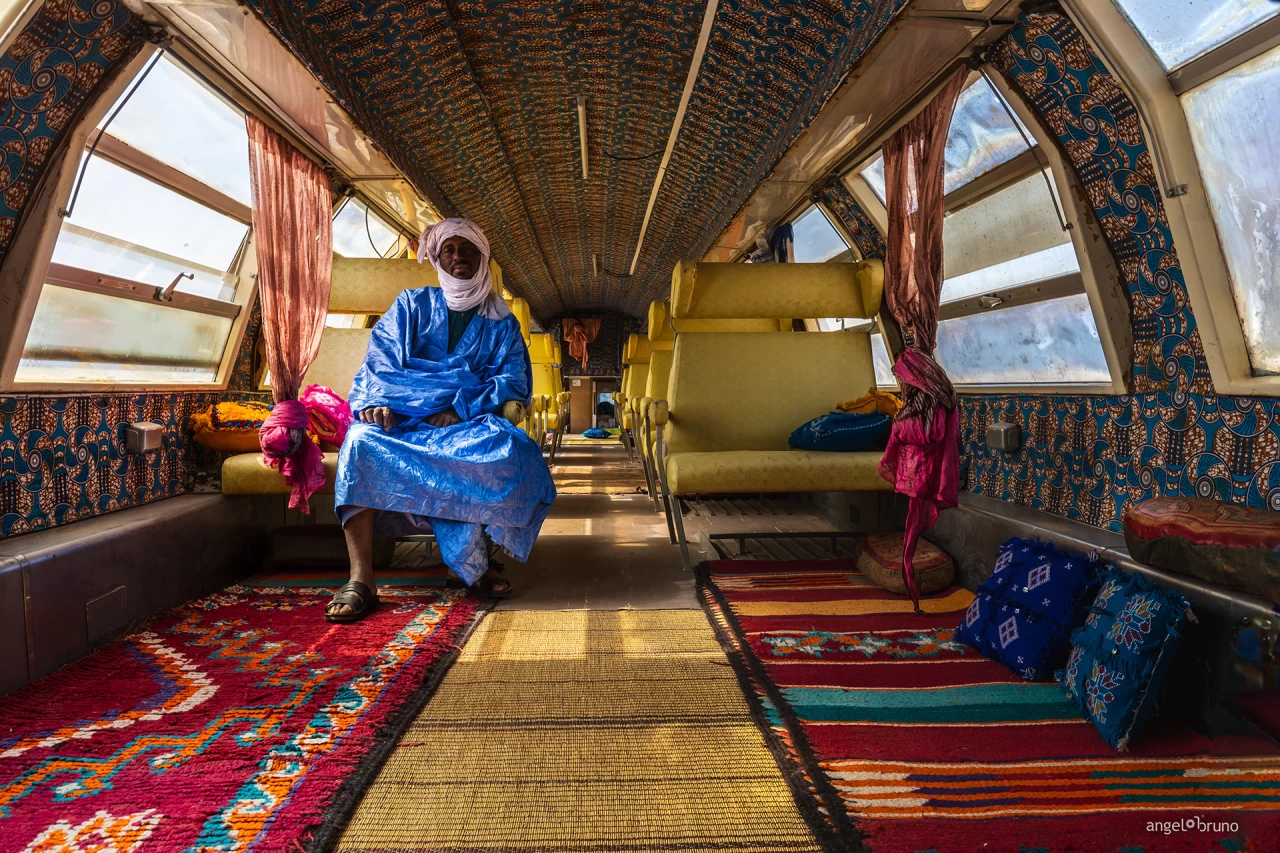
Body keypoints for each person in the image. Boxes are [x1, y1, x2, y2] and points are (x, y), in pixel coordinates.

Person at [326, 218, 557, 622]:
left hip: (463, 423)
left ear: (483, 258)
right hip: (402, 422)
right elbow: (380, 361)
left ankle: (471, 562)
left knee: (513, 449)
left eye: (467, 249)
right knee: (360, 441)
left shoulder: (502, 322)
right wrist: (380, 402)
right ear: (436, 258)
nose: (458, 256)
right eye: (449, 249)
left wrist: (460, 408)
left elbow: (514, 380)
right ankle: (361, 578)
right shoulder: (410, 305)